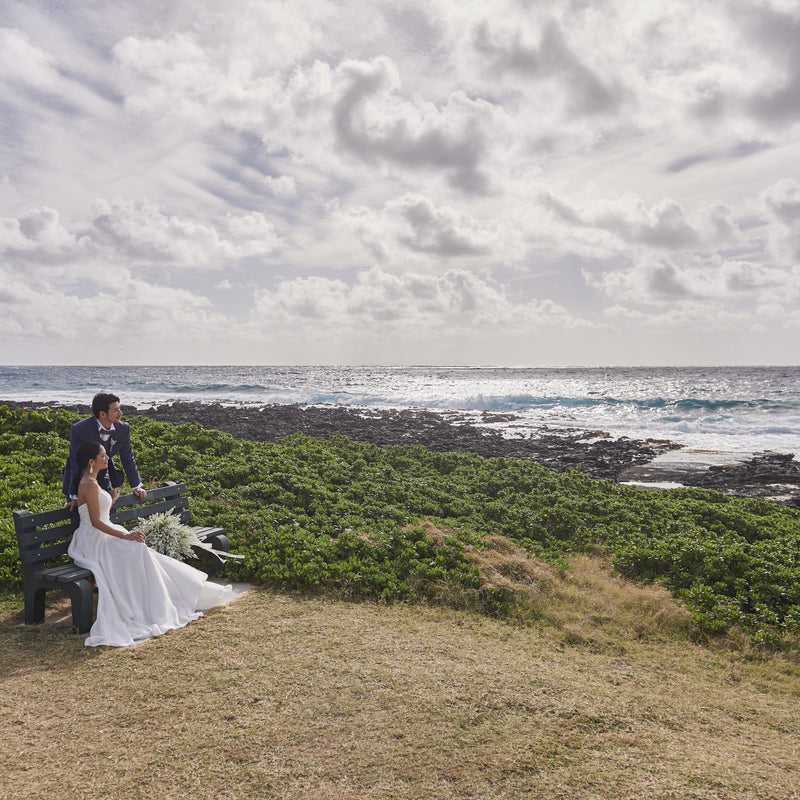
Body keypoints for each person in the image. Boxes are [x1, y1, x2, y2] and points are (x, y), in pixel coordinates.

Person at [68, 441, 233, 647]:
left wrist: (111, 500)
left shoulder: (92, 481)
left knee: (139, 549)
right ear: (91, 461)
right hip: (93, 539)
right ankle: (147, 604)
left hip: (103, 532)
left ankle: (162, 598)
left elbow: (98, 511)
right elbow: (96, 522)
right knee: (134, 548)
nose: (107, 458)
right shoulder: (89, 484)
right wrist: (125, 536)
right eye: (103, 455)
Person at [62, 392, 147, 510]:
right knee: (81, 519)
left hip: (105, 479)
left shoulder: (123, 429)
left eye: (119, 409)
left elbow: (127, 458)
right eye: (115, 410)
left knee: (107, 516)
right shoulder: (80, 430)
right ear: (102, 414)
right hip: (80, 482)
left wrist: (136, 486)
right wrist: (75, 495)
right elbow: (75, 463)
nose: (120, 413)